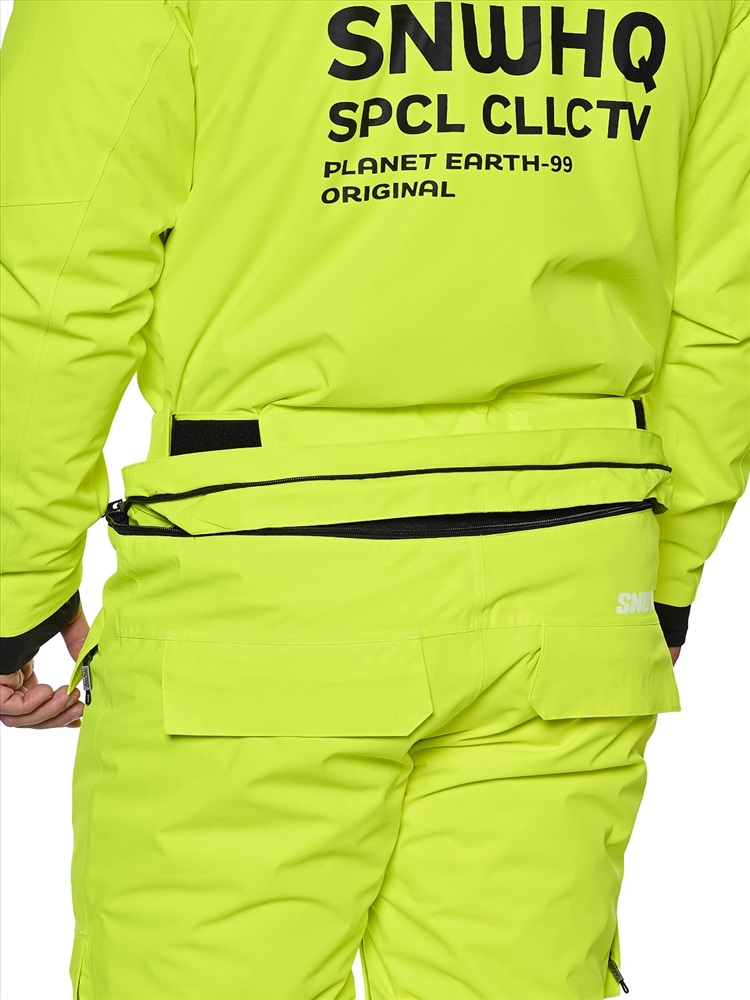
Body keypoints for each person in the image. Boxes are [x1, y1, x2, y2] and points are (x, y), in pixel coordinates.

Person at [0, 2, 747, 997]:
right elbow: (722, 304)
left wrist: (15, 590)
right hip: (567, 605)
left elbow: (53, 278)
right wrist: (666, 580)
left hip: (261, 612)